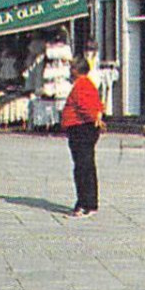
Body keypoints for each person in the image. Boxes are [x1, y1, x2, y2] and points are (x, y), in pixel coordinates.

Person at [60, 56, 105, 217]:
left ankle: (86, 203)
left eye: (72, 68)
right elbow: (97, 104)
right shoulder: (87, 84)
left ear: (76, 70)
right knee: (84, 166)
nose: (70, 71)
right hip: (83, 128)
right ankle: (86, 202)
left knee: (83, 167)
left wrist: (95, 117)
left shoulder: (81, 85)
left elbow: (86, 108)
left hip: (81, 129)